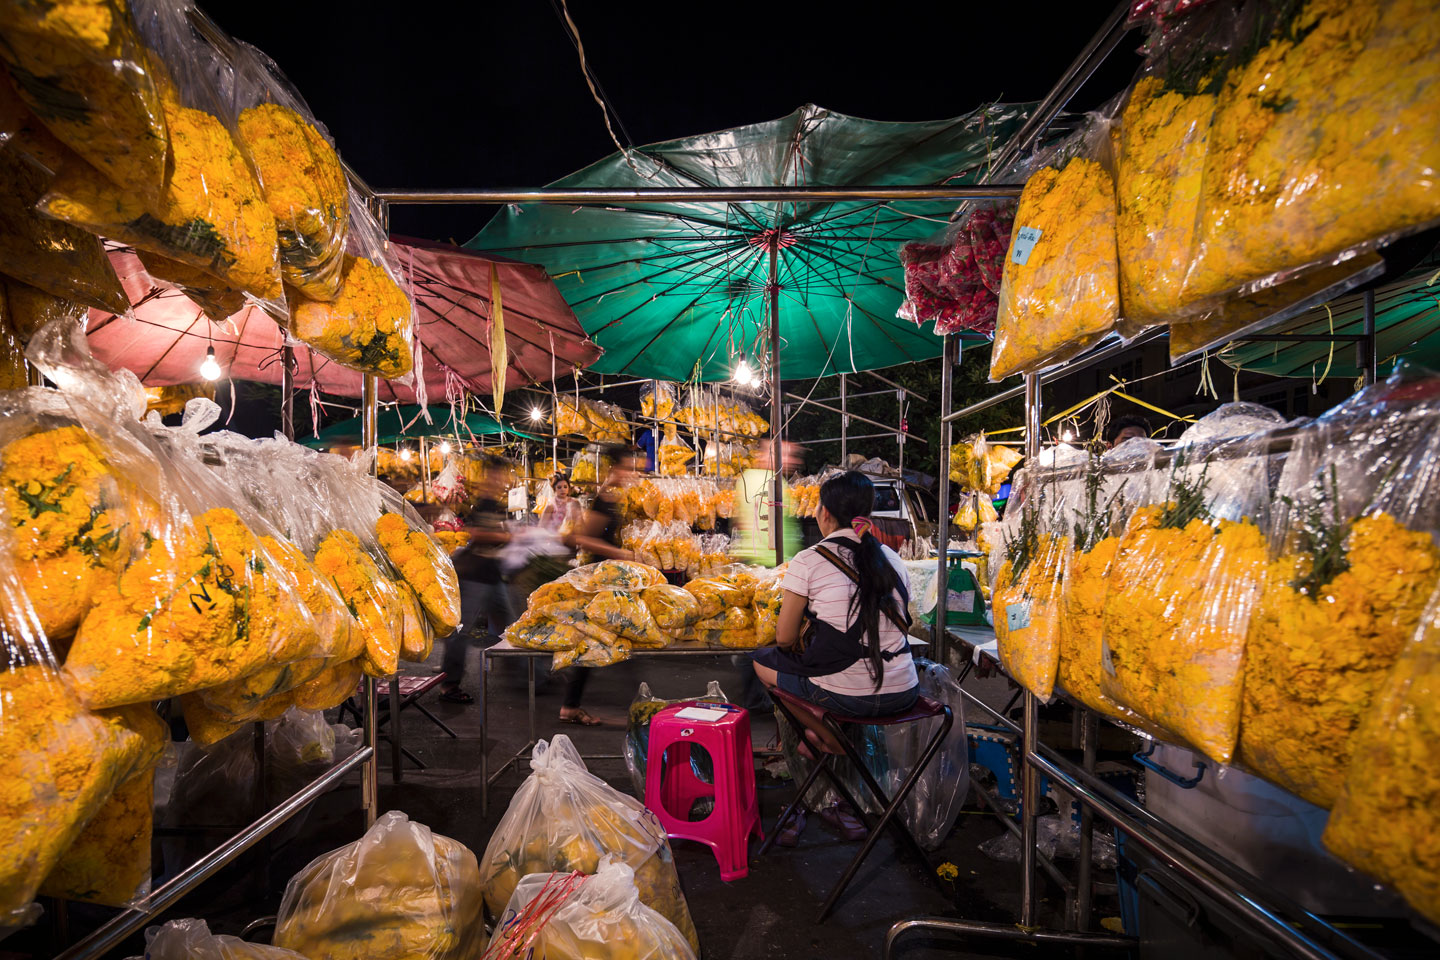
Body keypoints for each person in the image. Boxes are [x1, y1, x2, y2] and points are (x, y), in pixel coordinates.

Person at [751, 470, 919, 843]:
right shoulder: (891, 559)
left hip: (849, 698)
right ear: (867, 514)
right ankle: (840, 793)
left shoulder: (809, 560)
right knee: (838, 674)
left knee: (764, 664)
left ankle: (828, 745)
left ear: (824, 513)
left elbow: (784, 638)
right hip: (906, 693)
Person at [556, 446, 642, 725]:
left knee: (606, 638)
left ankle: (573, 705)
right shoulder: (604, 499)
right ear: (615, 468)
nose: (632, 473)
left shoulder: (613, 497)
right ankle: (636, 704)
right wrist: (620, 553)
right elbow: (582, 538)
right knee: (604, 637)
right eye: (629, 467)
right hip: (601, 580)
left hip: (610, 578)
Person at [443, 458, 514, 704]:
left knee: (511, 626)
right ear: (490, 477)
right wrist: (505, 536)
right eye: (499, 476)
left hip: (492, 574)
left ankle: (531, 677)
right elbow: (476, 533)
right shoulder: (483, 503)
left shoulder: (495, 504)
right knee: (461, 631)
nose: (502, 481)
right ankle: (449, 684)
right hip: (475, 576)